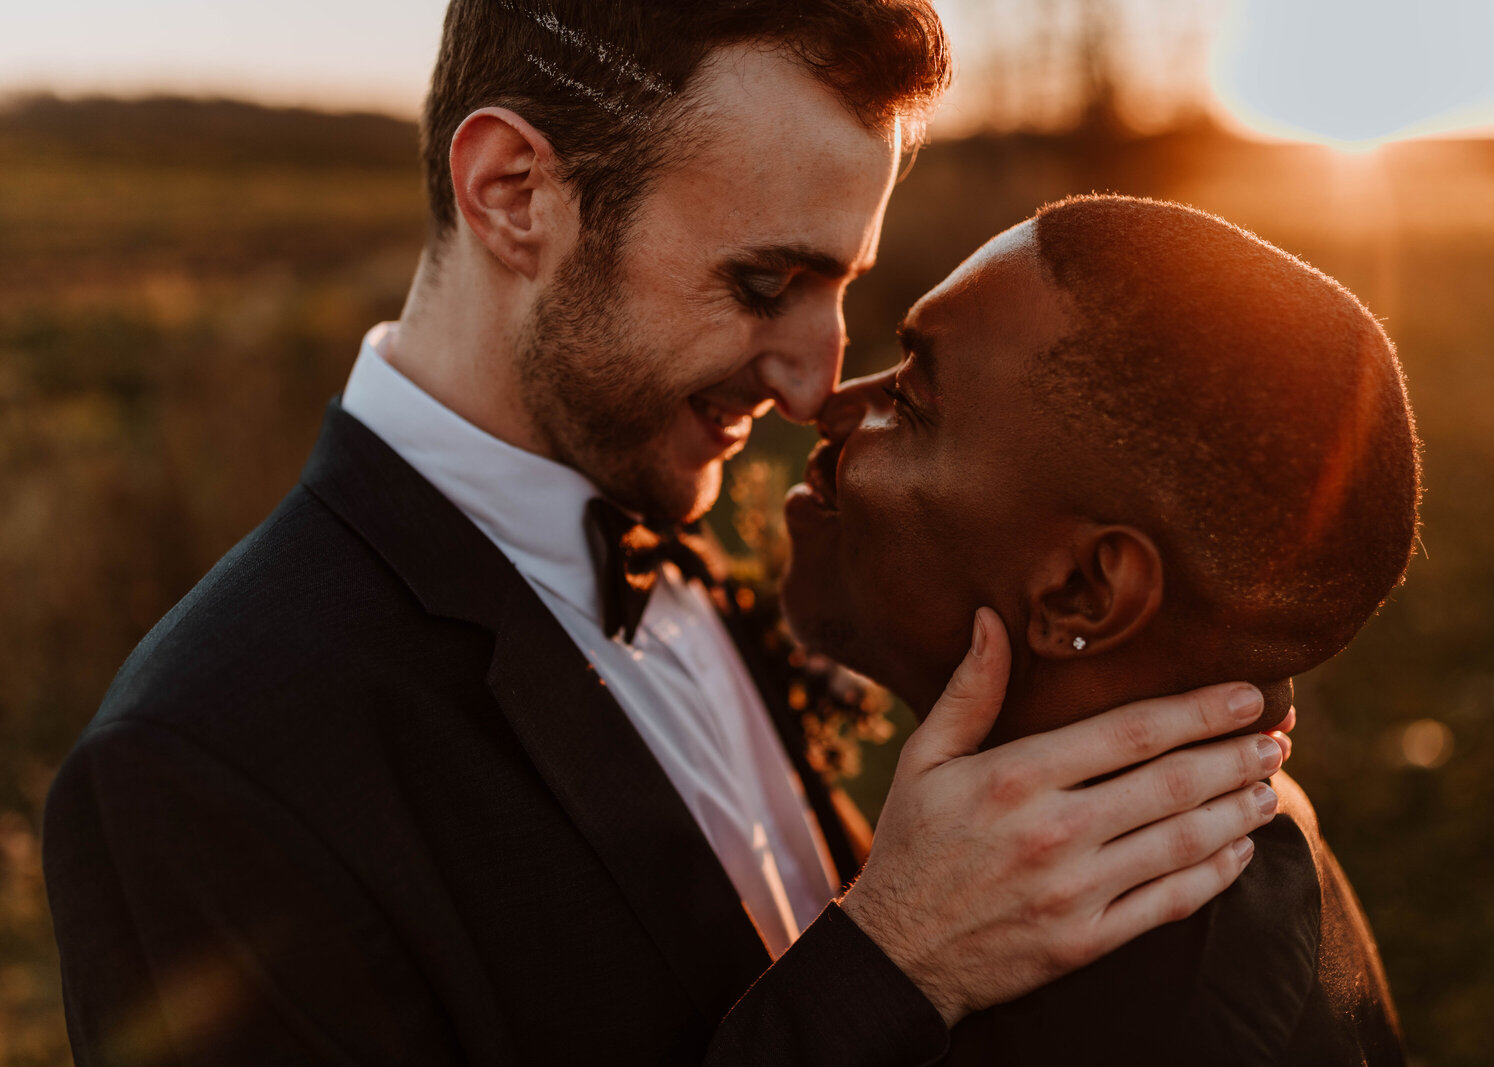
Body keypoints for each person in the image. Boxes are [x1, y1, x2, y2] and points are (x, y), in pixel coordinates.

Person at [43, 5, 1291, 1064]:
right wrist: (895, 959)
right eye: (763, 284)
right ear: (513, 195)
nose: (815, 385)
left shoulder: (658, 508)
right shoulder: (201, 765)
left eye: (842, 289)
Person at [782, 195, 1418, 1065]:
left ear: (1082, 591)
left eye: (911, 398)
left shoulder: (1117, 1028)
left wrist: (879, 964)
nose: (830, 405)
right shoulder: (1234, 840)